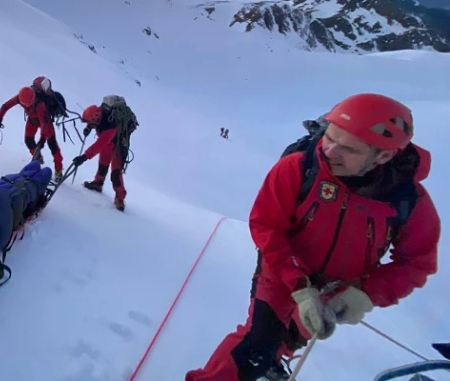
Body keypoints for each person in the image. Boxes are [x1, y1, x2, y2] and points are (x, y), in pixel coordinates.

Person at [186, 93, 440, 381]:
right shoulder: (298, 167)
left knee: (293, 335)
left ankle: (274, 357)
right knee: (256, 343)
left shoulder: (409, 201)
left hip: (337, 291)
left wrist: (366, 295)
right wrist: (298, 285)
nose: (330, 151)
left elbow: (417, 263)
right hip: (282, 272)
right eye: (329, 137)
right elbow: (267, 226)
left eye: (348, 148)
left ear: (383, 156)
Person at [0, 76, 64, 181]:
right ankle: (37, 159)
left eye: (29, 104)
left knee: (52, 145)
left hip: (45, 122)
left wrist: (42, 139)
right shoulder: (20, 97)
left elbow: (44, 123)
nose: (27, 106)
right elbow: (6, 106)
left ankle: (59, 170)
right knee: (29, 141)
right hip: (32, 120)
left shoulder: (40, 105)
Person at [73, 101, 134, 212]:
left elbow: (99, 145)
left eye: (91, 123)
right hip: (108, 142)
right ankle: (98, 183)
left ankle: (120, 197)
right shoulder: (100, 114)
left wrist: (84, 157)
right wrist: (88, 128)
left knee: (116, 172)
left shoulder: (110, 125)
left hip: (119, 144)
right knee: (103, 163)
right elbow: (95, 124)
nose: (91, 125)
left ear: (95, 119)